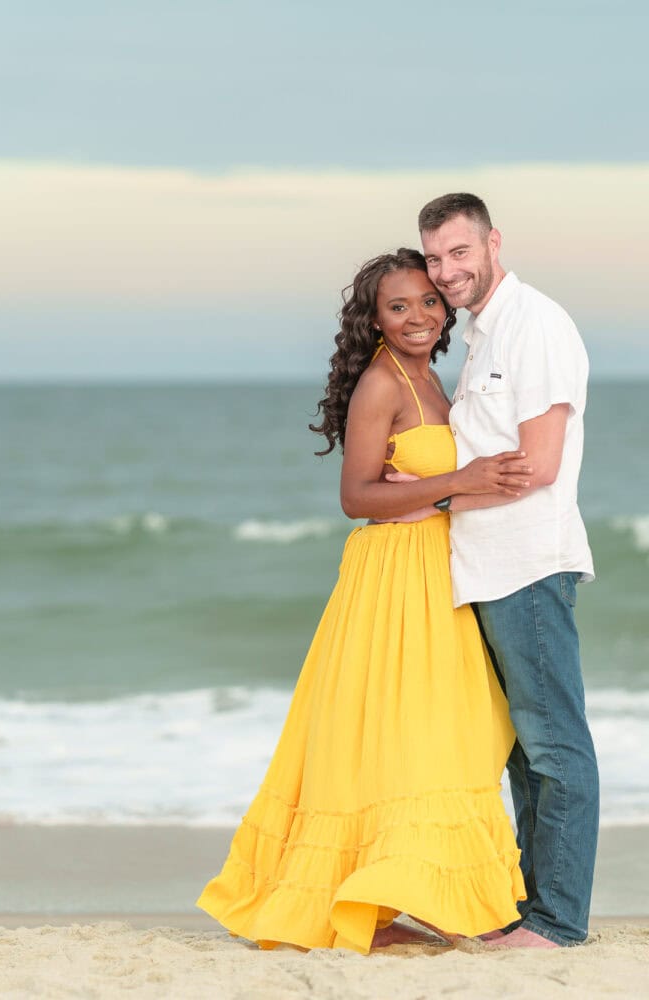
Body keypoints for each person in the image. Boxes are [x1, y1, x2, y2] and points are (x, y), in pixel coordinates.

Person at [196, 248, 535, 954]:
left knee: (456, 728)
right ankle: (427, 899)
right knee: (414, 733)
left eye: (427, 303)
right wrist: (460, 481)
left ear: (446, 309)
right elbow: (356, 497)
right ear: (373, 319)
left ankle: (423, 890)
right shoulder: (383, 384)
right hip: (394, 578)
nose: (417, 317)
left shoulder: (432, 377)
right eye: (398, 307)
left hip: (436, 572)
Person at [418, 193, 600, 949]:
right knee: (525, 752)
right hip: (485, 569)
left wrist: (447, 486)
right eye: (434, 258)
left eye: (459, 253)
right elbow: (491, 455)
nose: (447, 271)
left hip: (526, 564)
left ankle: (557, 922)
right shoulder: (480, 338)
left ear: (493, 243)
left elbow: (542, 462)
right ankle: (531, 913)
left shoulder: (536, 325)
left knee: (555, 745)